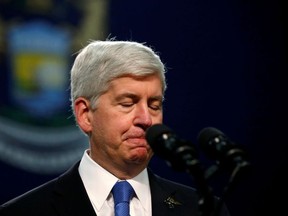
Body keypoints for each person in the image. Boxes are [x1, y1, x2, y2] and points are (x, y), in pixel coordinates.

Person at [0, 39, 230, 216]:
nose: (145, 119)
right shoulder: (24, 212)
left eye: (154, 105)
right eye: (127, 103)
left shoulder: (203, 210)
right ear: (85, 114)